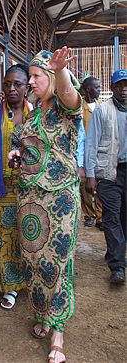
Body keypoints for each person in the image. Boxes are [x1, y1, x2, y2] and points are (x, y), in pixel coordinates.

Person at [9, 47, 81, 363]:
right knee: (35, 261)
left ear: (50, 77)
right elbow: (29, 150)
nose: (32, 81)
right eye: (32, 76)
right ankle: (42, 315)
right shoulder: (32, 112)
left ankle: (59, 332)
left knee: (59, 263)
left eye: (37, 76)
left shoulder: (67, 108)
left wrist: (61, 70)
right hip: (30, 198)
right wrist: (17, 157)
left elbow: (68, 92)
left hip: (61, 198)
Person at [0, 65, 32, 309]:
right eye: (7, 83)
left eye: (18, 84)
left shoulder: (37, 116)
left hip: (30, 188)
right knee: (4, 236)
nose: (11, 88)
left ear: (27, 87)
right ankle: (10, 286)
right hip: (1, 186)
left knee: (28, 235)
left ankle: (31, 281)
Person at [85, 69, 127, 285]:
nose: (124, 89)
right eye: (119, 85)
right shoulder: (102, 111)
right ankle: (118, 266)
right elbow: (91, 143)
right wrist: (90, 175)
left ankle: (116, 252)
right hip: (109, 172)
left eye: (126, 85)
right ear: (112, 88)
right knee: (111, 217)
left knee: (124, 217)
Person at [80, 76, 102, 228]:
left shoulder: (101, 107)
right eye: (97, 87)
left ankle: (101, 216)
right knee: (86, 186)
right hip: (84, 152)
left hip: (100, 152)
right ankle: (89, 214)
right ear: (88, 89)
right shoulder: (79, 108)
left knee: (101, 184)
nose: (100, 90)